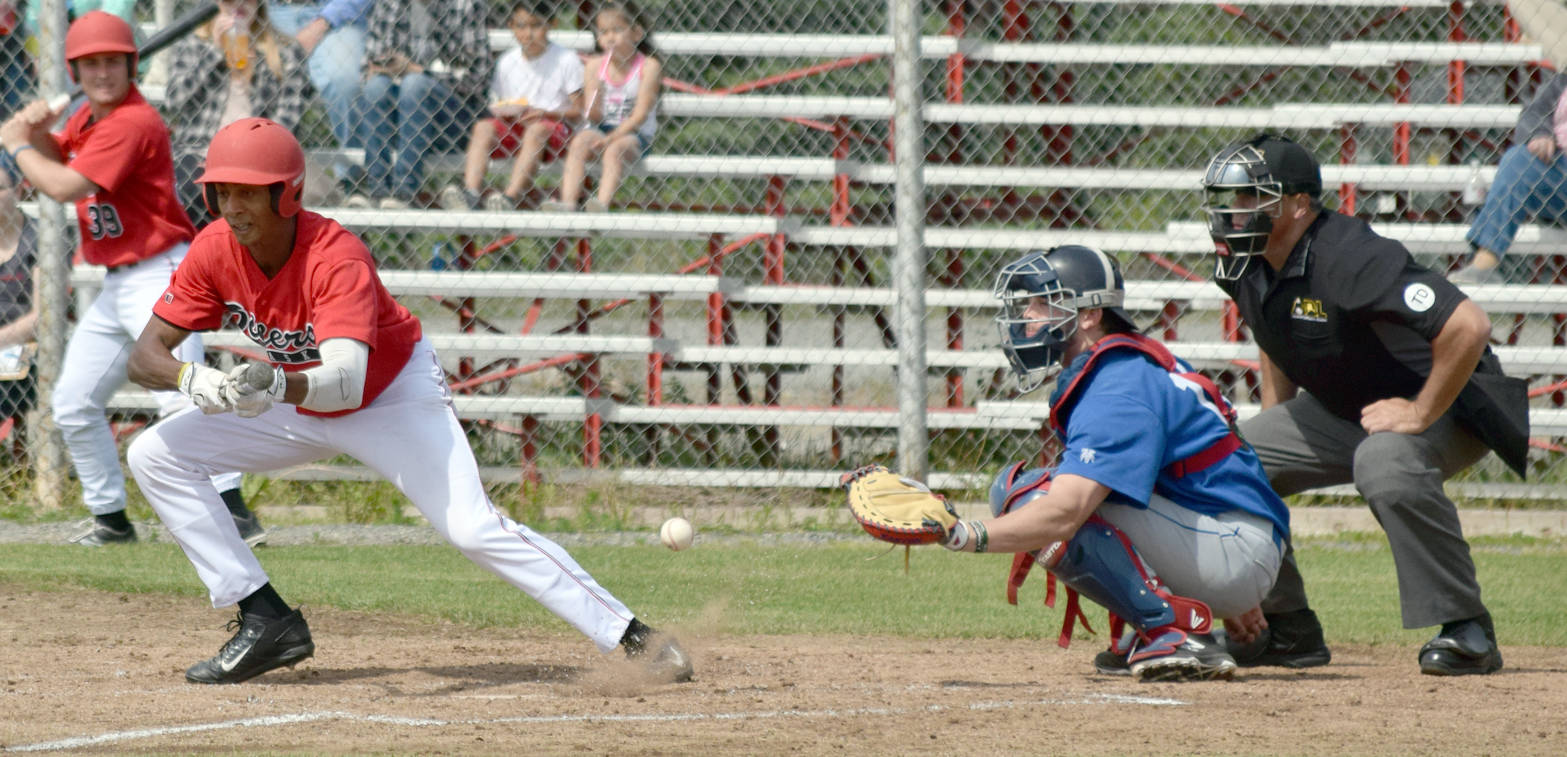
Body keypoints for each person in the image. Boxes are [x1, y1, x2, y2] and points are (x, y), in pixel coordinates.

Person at [123, 117, 694, 686]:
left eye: (248, 191)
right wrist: (192, 380)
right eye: (223, 190)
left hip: (389, 397)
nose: (233, 204)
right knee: (155, 455)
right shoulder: (215, 248)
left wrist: (272, 384)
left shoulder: (335, 255)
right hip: (295, 396)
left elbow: (345, 383)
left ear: (286, 193)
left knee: (473, 529)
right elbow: (144, 355)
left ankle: (633, 636)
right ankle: (266, 619)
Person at [1201, 133, 1529, 676]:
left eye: (1252, 196)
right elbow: (1274, 331)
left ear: (1299, 205)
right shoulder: (1248, 256)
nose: (1235, 211)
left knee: (1383, 462)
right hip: (1346, 406)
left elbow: (1469, 325)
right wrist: (1274, 423)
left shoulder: (1349, 256)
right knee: (1224, 460)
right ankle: (1286, 629)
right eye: (1229, 198)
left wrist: (1420, 412)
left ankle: (1467, 628)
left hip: (1449, 402)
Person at [914, 244, 1289, 682]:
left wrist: (964, 535)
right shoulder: (1126, 359)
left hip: (1233, 546)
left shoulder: (1118, 384)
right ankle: (1177, 623)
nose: (1027, 317)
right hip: (1232, 538)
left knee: (1026, 494)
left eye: (1042, 303)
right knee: (1044, 491)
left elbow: (1064, 513)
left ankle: (1170, 629)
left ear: (1089, 315)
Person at [0, 11, 263, 547]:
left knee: (180, 393)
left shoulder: (132, 121)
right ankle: (113, 522)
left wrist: (17, 144)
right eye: (91, 63)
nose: (102, 72)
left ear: (131, 65)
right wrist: (30, 131)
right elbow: (62, 153)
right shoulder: (91, 119)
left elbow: (66, 185)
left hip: (161, 272)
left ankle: (234, 513)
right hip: (118, 280)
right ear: (76, 70)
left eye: (112, 62)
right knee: (73, 402)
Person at [164, 0, 313, 227]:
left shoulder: (285, 52)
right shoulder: (193, 45)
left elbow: (288, 120)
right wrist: (213, 52)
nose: (240, 4)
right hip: (198, 152)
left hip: (258, 157)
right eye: (229, 0)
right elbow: (174, 101)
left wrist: (255, 156)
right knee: (194, 187)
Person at [438, 0, 582, 212]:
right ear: (512, 27)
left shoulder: (566, 59)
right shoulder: (507, 61)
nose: (528, 33)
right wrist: (506, 111)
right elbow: (501, 102)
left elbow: (578, 111)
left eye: (536, 25)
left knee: (536, 129)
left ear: (551, 24)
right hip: (516, 127)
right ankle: (470, 194)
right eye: (521, 26)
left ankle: (508, 197)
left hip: (552, 130)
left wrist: (544, 113)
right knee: (483, 127)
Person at [350, 0, 491, 209]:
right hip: (399, 117)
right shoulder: (388, 4)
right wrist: (382, 68)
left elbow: (477, 78)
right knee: (375, 88)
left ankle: (405, 192)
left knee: (414, 84)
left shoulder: (466, 4)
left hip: (453, 119)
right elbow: (367, 69)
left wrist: (416, 70)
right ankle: (377, 190)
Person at [1451, 72, 1567, 284]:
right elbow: (1533, 113)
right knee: (1517, 160)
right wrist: (1540, 133)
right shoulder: (1561, 81)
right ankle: (1485, 263)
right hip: (1559, 176)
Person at [545, 1, 660, 213]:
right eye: (604, 31)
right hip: (602, 130)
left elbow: (640, 115)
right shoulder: (594, 66)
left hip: (634, 135)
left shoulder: (649, 66)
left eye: (617, 30)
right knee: (580, 141)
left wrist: (611, 138)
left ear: (636, 33)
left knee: (614, 150)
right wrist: (596, 94)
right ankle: (568, 203)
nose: (610, 37)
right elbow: (594, 115)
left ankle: (600, 205)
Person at [264, 0, 372, 194]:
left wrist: (323, 22)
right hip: (270, 13)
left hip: (334, 16)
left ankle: (351, 179)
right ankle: (259, 169)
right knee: (260, 72)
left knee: (344, 80)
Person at [0, 151, 38, 433]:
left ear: (17, 190)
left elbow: (42, 316)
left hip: (25, 346)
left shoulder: (37, 237)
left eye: (0, 188)